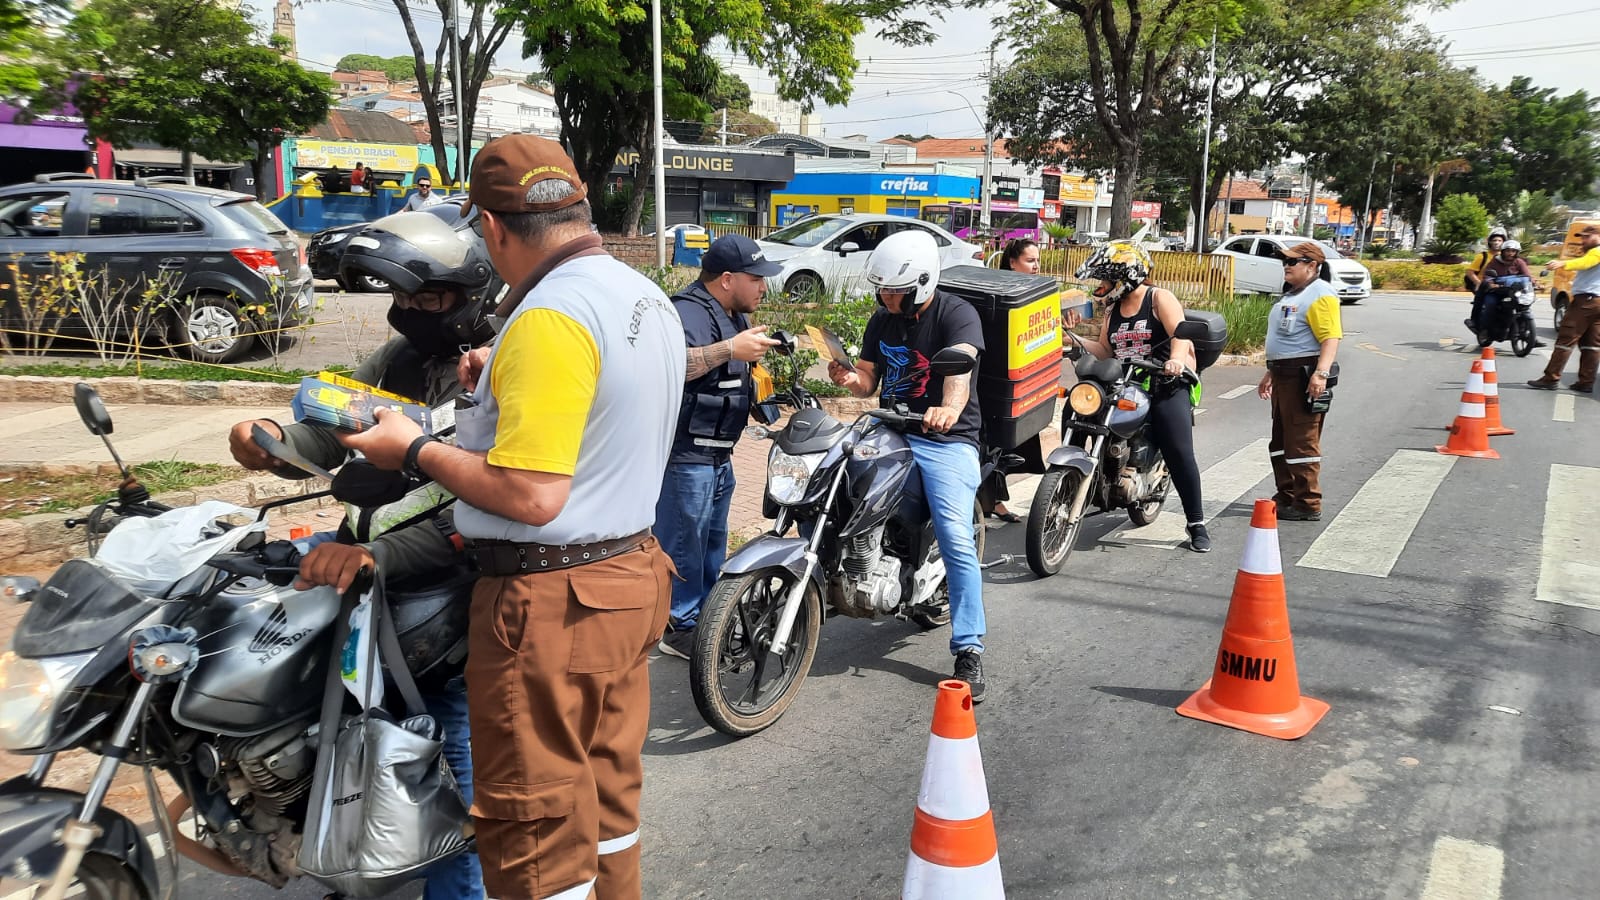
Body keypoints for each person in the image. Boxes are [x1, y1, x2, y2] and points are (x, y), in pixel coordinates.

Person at [337, 134, 683, 900]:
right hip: (628, 577)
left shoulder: (549, 317)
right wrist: (493, 388)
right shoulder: (641, 296)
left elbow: (531, 494)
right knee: (606, 811)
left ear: (491, 229)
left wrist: (413, 451)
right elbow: (603, 418)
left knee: (535, 839)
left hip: (552, 608)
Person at [225, 209, 500, 900]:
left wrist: (375, 556)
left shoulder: (498, 372)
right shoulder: (398, 361)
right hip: (370, 581)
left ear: (474, 295)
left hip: (450, 598)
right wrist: (271, 440)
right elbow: (337, 430)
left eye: (427, 298)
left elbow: (485, 503)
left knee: (445, 774)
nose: (410, 311)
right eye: (402, 297)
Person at [826, 230, 991, 701]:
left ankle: (969, 648)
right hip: (891, 428)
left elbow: (959, 367)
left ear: (920, 284)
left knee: (958, 539)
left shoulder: (957, 314)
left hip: (946, 438)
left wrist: (950, 409)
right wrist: (847, 376)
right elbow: (868, 383)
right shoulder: (882, 319)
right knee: (833, 481)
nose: (885, 297)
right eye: (882, 289)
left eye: (894, 290)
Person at [655, 234, 782, 659]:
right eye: (756, 278)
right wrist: (729, 349)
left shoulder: (734, 315)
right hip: (686, 456)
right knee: (682, 542)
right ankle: (678, 625)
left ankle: (708, 618)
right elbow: (673, 367)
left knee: (711, 542)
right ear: (727, 279)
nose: (763, 287)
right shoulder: (686, 311)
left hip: (718, 454)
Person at [1062, 239, 1210, 552]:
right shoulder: (1112, 308)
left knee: (1178, 448)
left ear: (1125, 277)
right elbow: (1104, 349)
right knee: (1075, 409)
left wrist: (1176, 360)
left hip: (1166, 380)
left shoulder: (1158, 298)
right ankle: (1078, 478)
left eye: (1106, 279)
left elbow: (1179, 334)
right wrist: (1071, 341)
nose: (1101, 286)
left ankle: (1196, 523)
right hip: (1125, 381)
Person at [1256, 241, 1341, 521]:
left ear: (1312, 266)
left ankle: (1308, 502)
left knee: (1302, 442)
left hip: (1302, 376)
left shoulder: (1320, 294)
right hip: (1283, 374)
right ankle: (1287, 495)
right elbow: (1287, 337)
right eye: (1285, 262)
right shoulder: (1294, 294)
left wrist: (1321, 374)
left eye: (1293, 262)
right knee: (1280, 442)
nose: (1287, 266)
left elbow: (1330, 337)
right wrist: (1270, 372)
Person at [978, 237, 1044, 524]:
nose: (1036, 266)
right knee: (990, 444)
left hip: (1023, 382)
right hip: (993, 379)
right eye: (1030, 261)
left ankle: (996, 502)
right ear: (1012, 262)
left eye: (1037, 261)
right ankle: (986, 504)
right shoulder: (997, 288)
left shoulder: (1033, 290)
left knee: (1009, 446)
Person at [1529, 223, 1600, 393]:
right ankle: (1586, 382)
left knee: (1566, 339)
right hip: (1596, 302)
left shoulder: (1596, 251)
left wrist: (1562, 264)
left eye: (1586, 237)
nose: (1583, 240)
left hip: (1586, 302)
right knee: (1592, 344)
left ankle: (1551, 377)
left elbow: (1585, 263)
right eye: (1582, 237)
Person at [1473, 239, 1542, 345]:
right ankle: (1485, 330)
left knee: (1524, 306)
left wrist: (1536, 284)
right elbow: (1487, 276)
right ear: (1503, 251)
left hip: (1514, 292)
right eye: (1508, 251)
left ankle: (1530, 335)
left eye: (1513, 251)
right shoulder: (1495, 261)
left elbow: (1527, 276)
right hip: (1496, 292)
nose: (1510, 253)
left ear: (1517, 252)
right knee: (1490, 304)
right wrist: (1491, 284)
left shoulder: (1519, 262)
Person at [1465, 227, 1507, 329]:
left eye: (1499, 240)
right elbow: (1470, 272)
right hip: (1484, 285)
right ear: (1490, 242)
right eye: (1494, 240)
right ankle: (1475, 322)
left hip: (1501, 286)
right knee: (1485, 301)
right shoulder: (1482, 256)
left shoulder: (1508, 256)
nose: (1497, 243)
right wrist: (1479, 283)